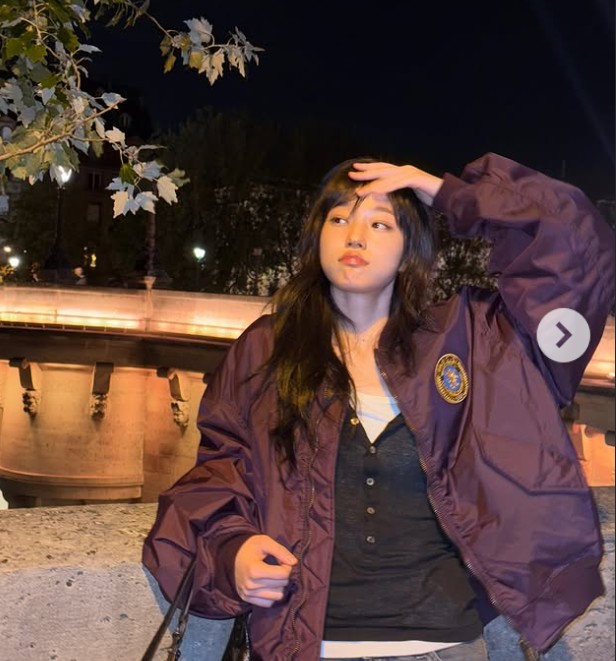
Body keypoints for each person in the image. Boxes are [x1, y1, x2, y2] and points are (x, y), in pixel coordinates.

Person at [142, 152, 615, 661]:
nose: (355, 236)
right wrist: (232, 551)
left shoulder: (475, 340)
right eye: (338, 219)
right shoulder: (266, 350)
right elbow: (219, 473)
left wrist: (448, 193)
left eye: (380, 223)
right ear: (316, 239)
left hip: (447, 646)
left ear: (410, 249)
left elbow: (578, 247)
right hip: (303, 645)